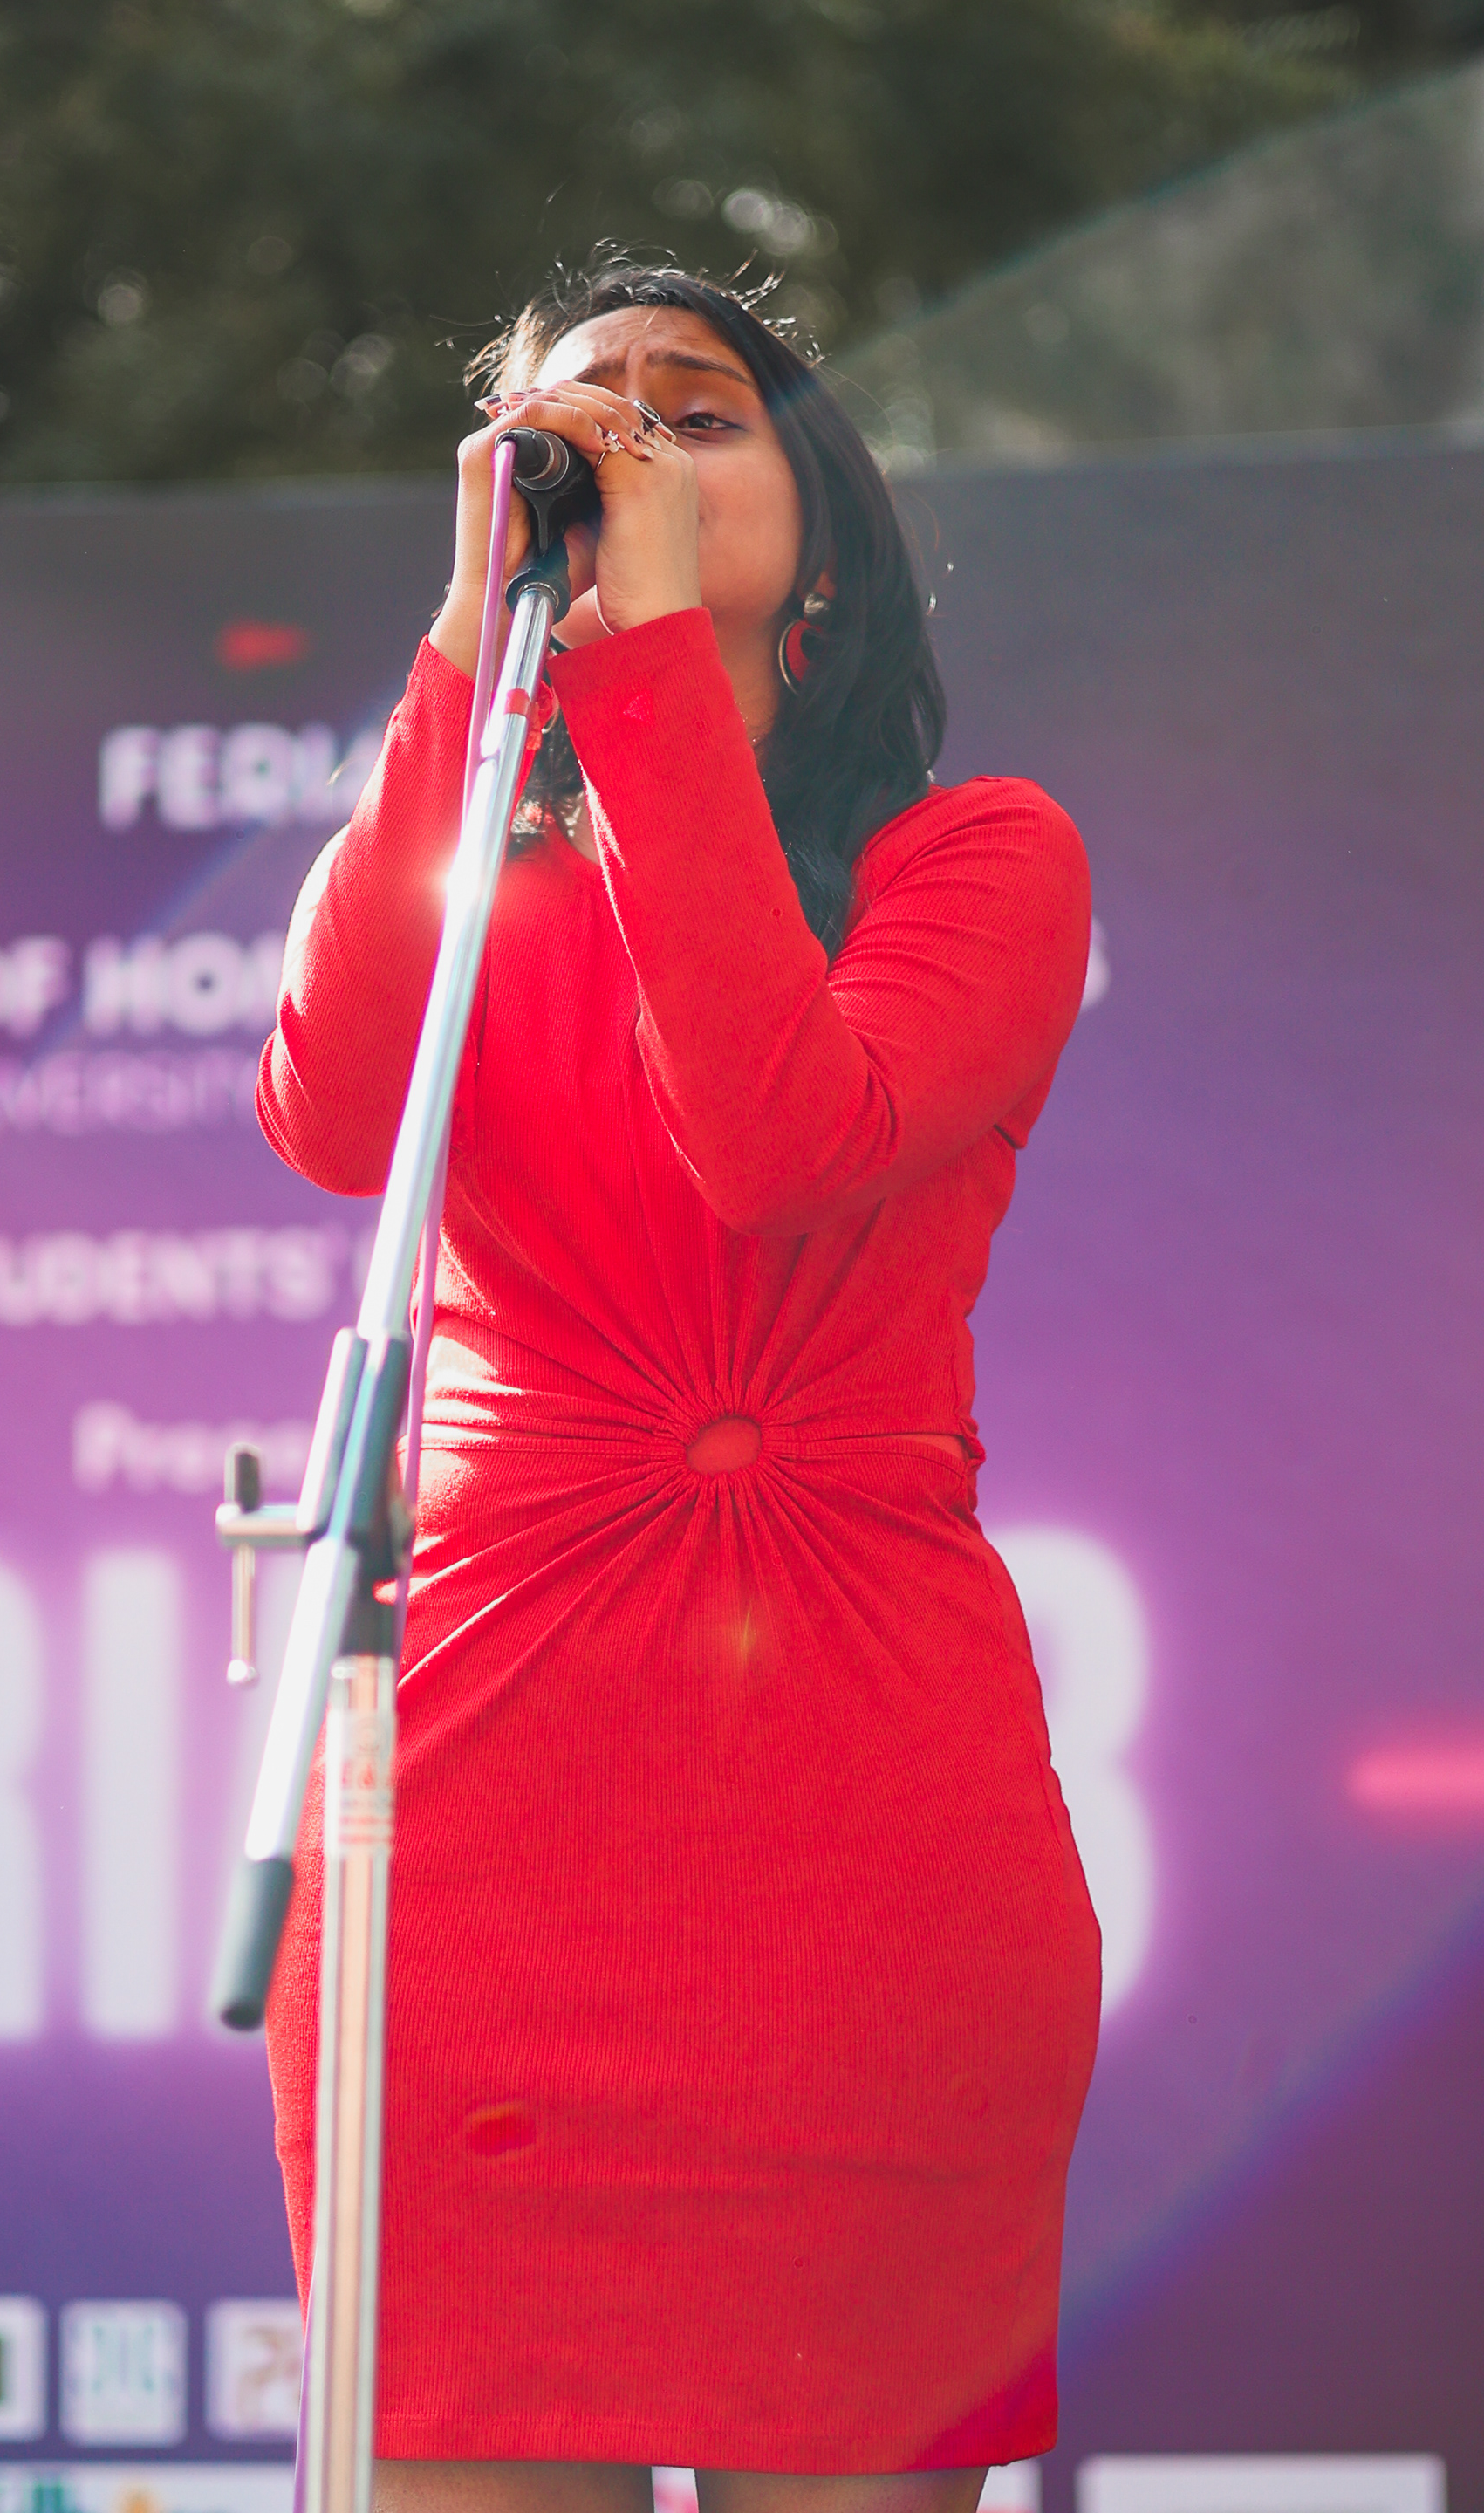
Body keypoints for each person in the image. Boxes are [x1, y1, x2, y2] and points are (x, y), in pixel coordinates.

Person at [258, 258, 1101, 2513]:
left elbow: (779, 1140)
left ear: (822, 536)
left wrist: (636, 679)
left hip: (854, 1825)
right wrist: (476, 640)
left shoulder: (979, 860)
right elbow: (330, 1115)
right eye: (572, 422)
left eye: (694, 411)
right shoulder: (475, 876)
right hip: (479, 1810)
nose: (622, 442)